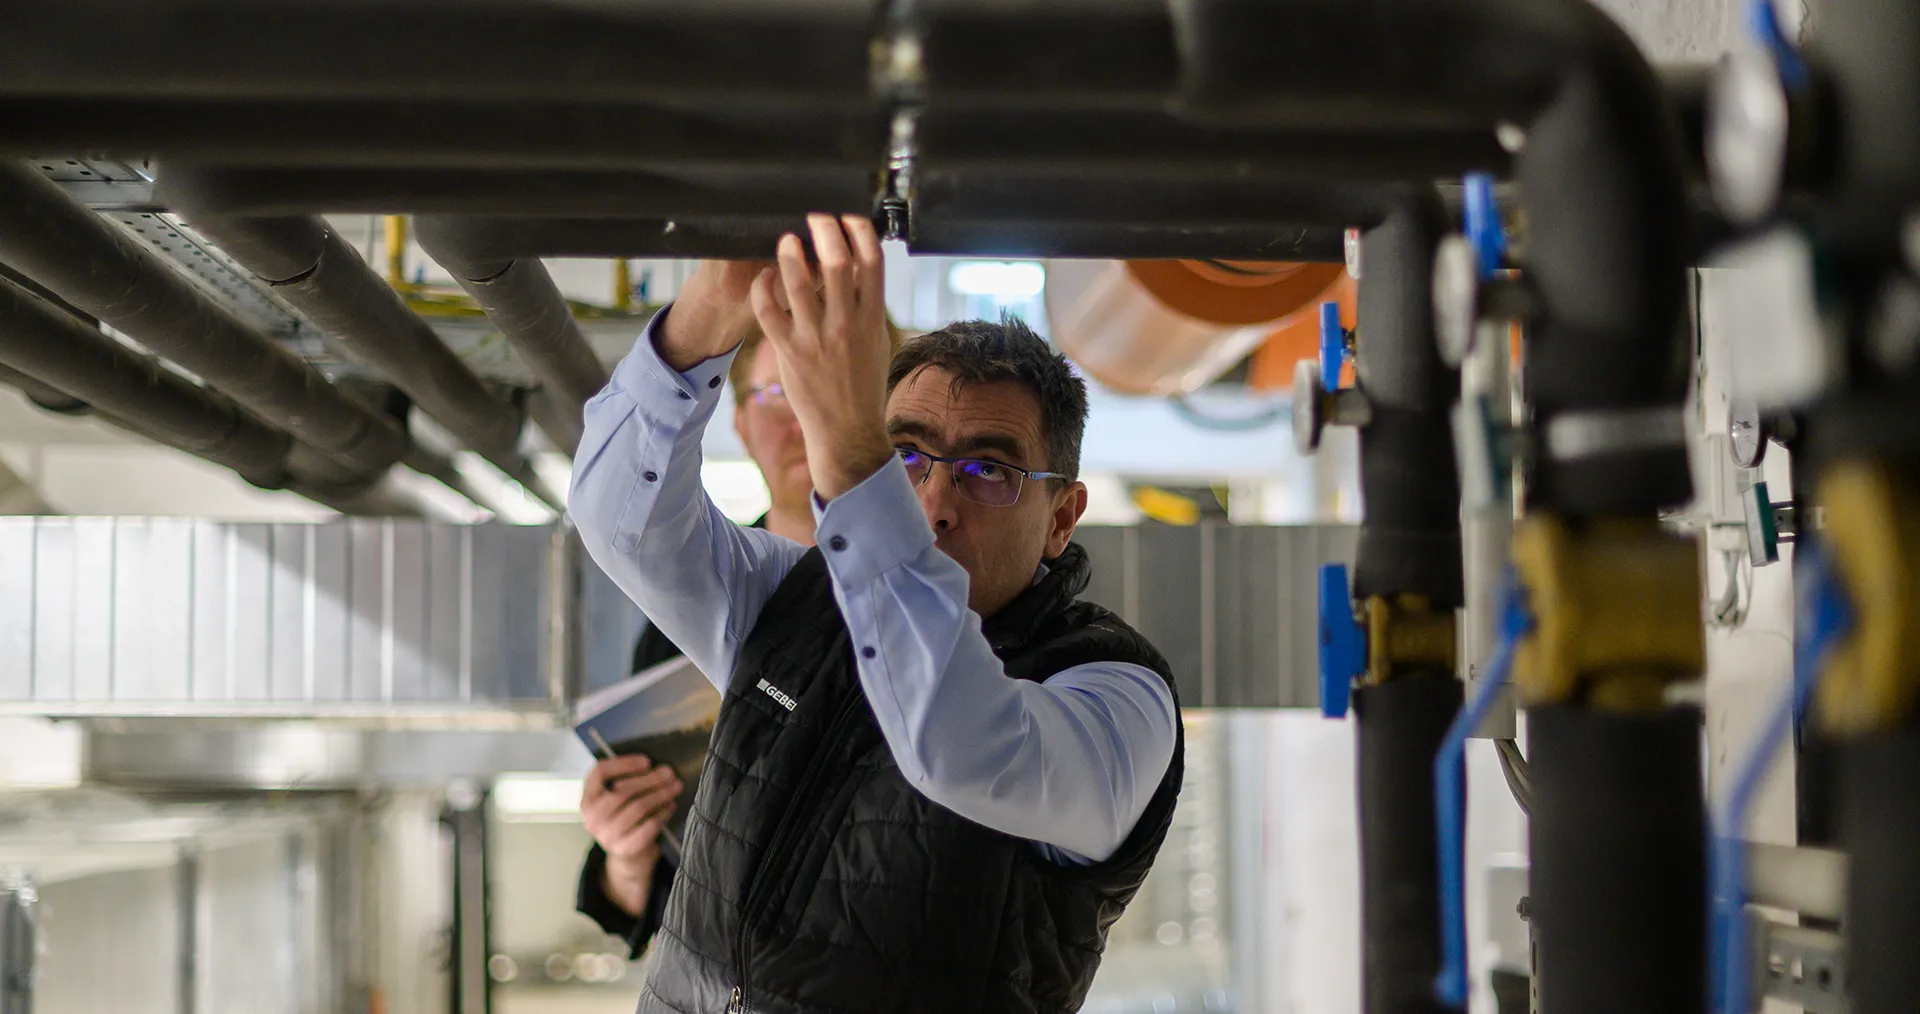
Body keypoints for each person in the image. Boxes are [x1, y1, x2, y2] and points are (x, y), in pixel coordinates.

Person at [571, 214, 1183, 1014]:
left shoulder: (1117, 694)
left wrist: (858, 454)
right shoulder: (798, 606)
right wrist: (708, 310)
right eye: (907, 457)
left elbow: (957, 744)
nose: (932, 505)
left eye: (987, 471)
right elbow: (626, 525)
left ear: (1061, 518)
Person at [573, 322, 818, 957]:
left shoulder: (949, 603)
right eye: (774, 394)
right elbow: (650, 906)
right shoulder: (677, 613)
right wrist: (626, 851)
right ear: (741, 424)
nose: (799, 419)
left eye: (822, 387)